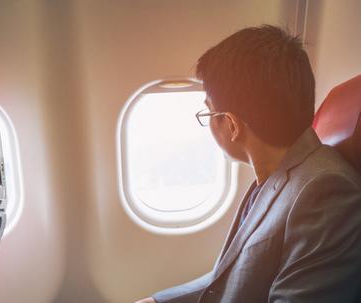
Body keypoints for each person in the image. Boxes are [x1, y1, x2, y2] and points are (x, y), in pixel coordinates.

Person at [136, 25, 361, 303]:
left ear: (231, 124)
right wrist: (156, 301)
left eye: (209, 112)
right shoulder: (273, 179)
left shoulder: (326, 192)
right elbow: (227, 276)